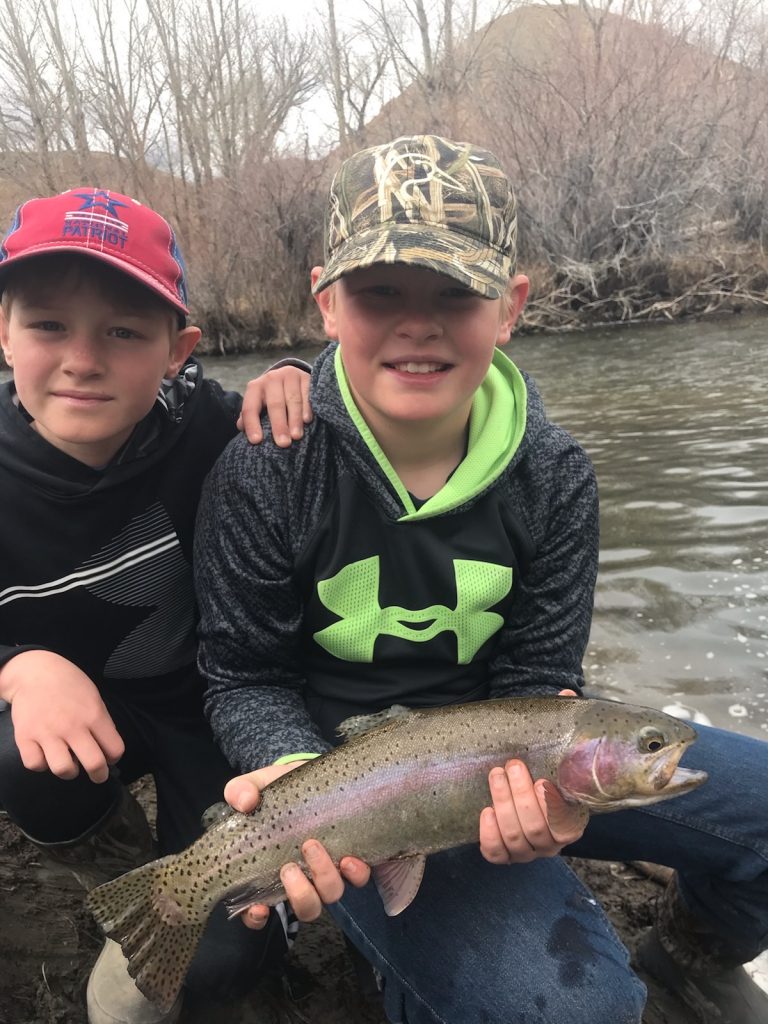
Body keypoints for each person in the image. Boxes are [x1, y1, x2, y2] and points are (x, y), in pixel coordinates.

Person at [194, 135, 768, 1024]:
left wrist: (548, 807)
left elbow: (539, 680)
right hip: (344, 786)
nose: (416, 322)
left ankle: (693, 955)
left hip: (509, 761)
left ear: (511, 307)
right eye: (379, 291)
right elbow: (242, 674)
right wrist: (288, 770)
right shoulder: (268, 467)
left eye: (456, 293)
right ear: (326, 304)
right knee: (574, 1012)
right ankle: (403, 972)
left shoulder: (555, 476)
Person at [0, 187, 312, 1024]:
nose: (81, 359)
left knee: (211, 967)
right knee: (16, 753)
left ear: (179, 350)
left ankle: (191, 899)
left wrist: (301, 375)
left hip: (209, 713)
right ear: (3, 332)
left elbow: (353, 416)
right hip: (80, 719)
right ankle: (121, 879)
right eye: (48, 326)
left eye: (124, 332)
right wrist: (19, 665)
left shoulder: (215, 428)